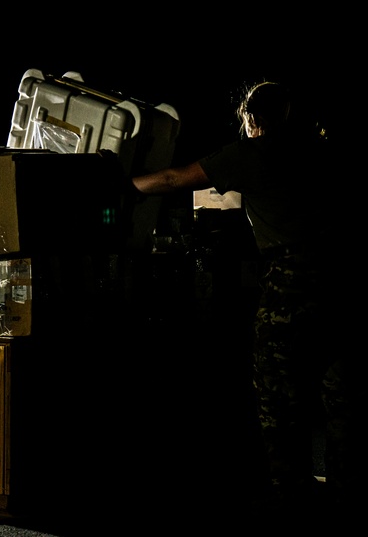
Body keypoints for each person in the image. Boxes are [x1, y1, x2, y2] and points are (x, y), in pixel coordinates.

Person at [131, 81, 364, 525]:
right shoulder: (321, 150)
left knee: (278, 393)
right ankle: (346, 494)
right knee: (341, 393)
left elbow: (172, 179)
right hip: (343, 280)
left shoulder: (251, 153)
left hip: (291, 283)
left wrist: (122, 184)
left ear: (252, 119)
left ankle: (290, 495)